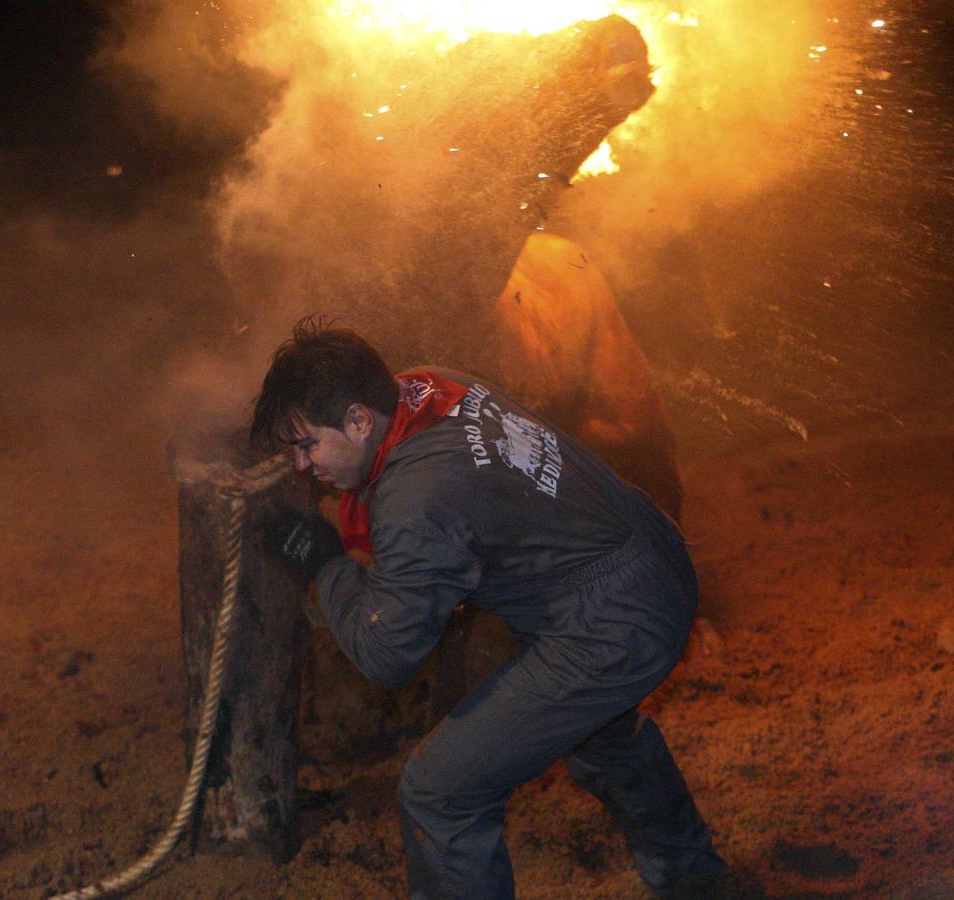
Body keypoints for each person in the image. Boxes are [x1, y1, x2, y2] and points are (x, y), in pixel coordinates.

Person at [251, 318, 725, 898]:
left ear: (358, 419)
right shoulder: (430, 385)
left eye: (307, 445)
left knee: (439, 792)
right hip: (650, 551)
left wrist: (324, 562)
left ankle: (692, 877)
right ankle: (697, 882)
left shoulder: (416, 500)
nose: (302, 465)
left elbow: (388, 655)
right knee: (601, 735)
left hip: (612, 619)